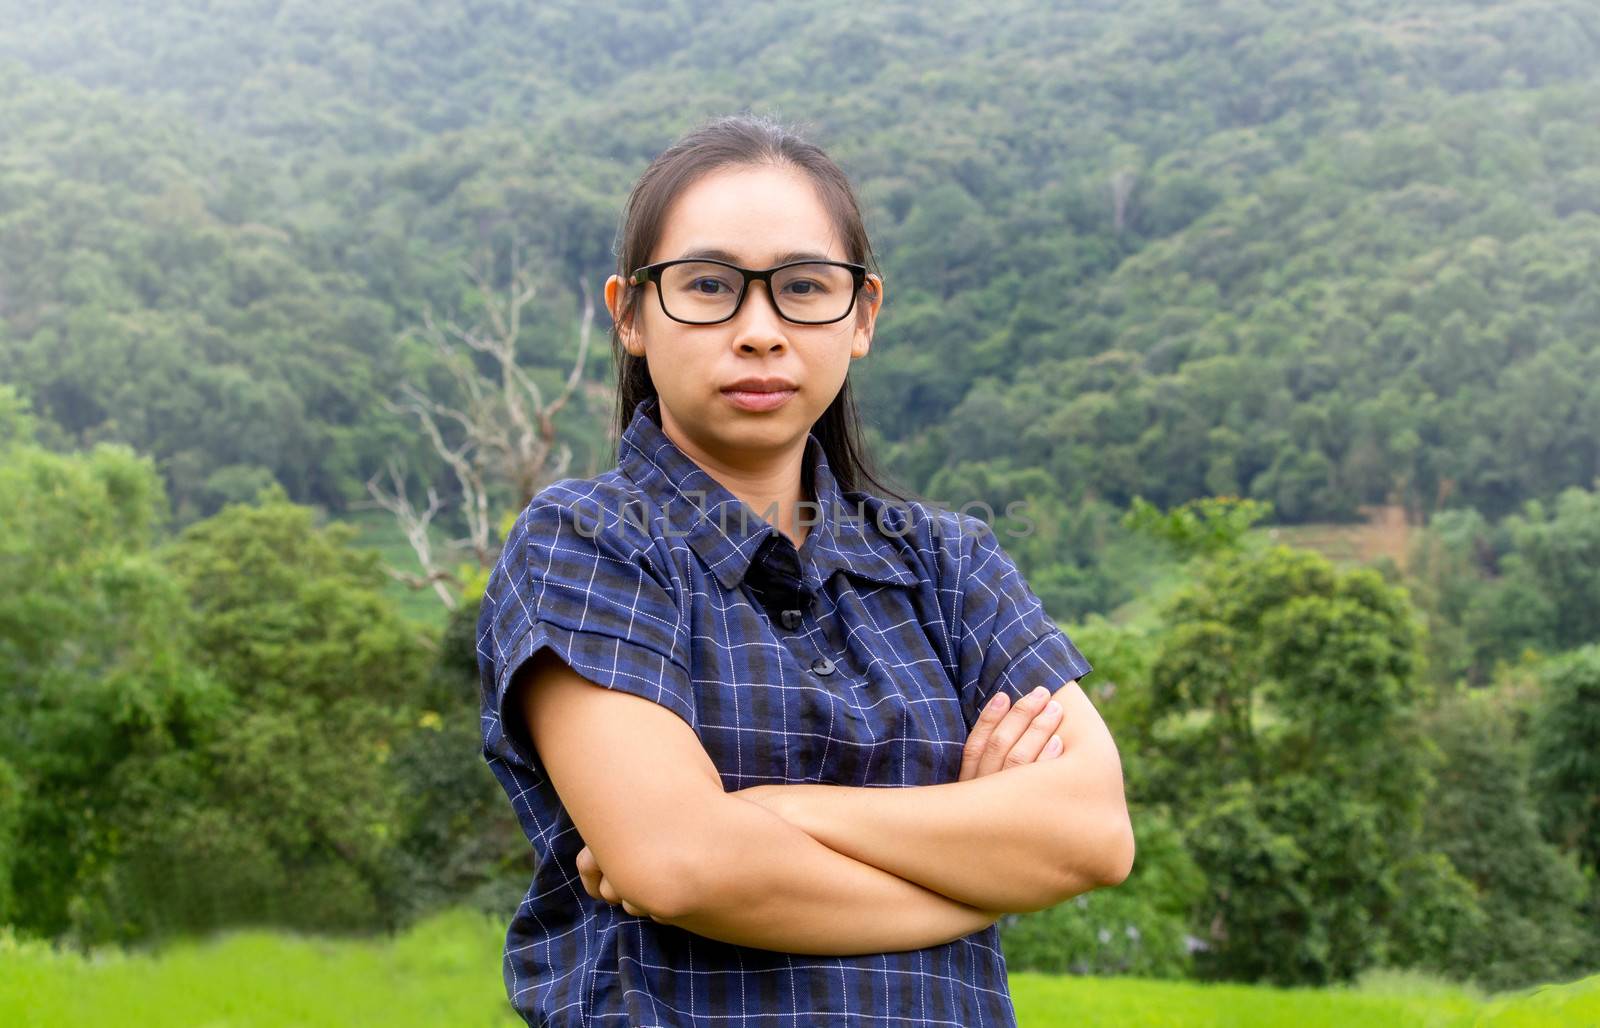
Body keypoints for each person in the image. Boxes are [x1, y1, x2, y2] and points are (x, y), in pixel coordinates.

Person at [476, 112, 1134, 1027]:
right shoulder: (586, 544)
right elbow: (681, 862)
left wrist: (775, 813)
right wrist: (980, 876)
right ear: (630, 312)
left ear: (861, 316)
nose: (758, 330)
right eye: (708, 286)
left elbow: (1092, 834)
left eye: (803, 288)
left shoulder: (949, 562)